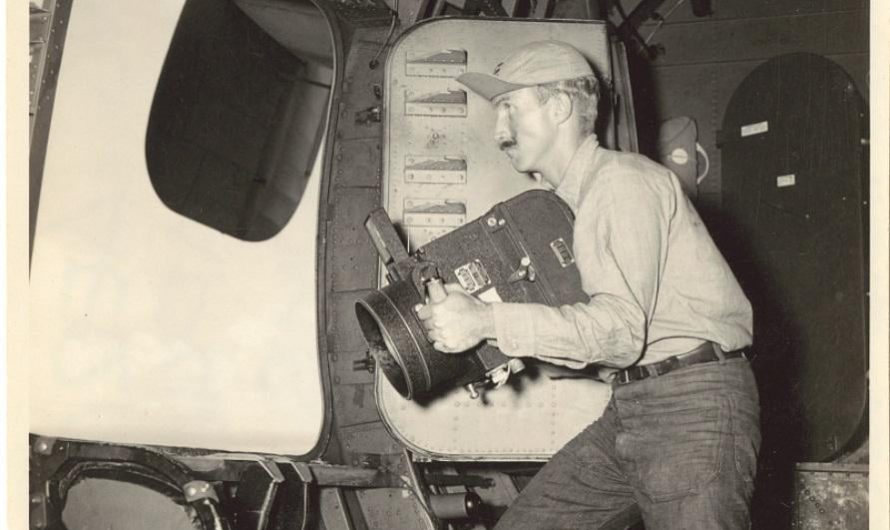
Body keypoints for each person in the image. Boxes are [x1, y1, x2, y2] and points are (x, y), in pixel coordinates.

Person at [416, 40, 761, 529]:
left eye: (510, 107)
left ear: (560, 107)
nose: (498, 131)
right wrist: (500, 340)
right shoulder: (571, 206)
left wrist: (487, 321)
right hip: (635, 405)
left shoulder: (620, 183)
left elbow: (619, 333)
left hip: (690, 409)